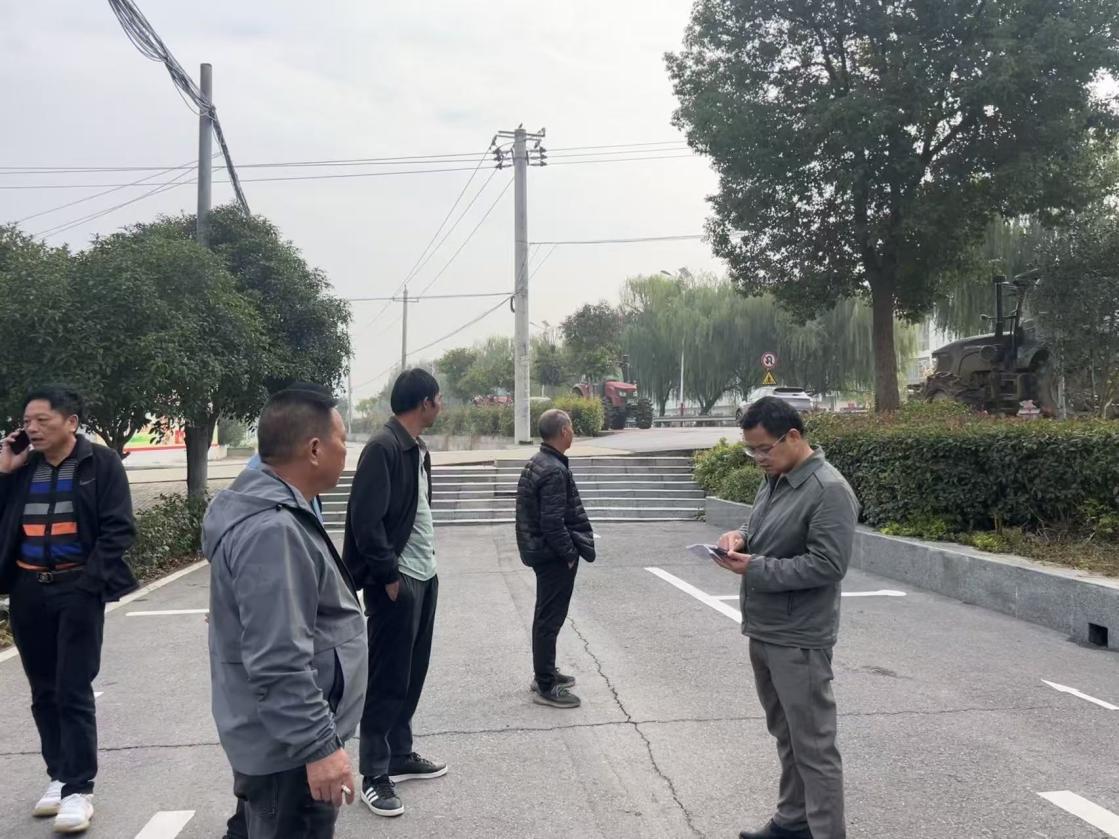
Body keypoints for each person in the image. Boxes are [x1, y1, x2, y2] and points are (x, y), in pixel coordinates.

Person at [203, 384, 367, 839]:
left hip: (278, 741)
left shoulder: (277, 510)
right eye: (342, 440)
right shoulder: (272, 529)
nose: (346, 451)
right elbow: (278, 659)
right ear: (314, 449)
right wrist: (319, 748)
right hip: (289, 756)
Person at [713, 396, 859, 839]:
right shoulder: (776, 478)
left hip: (799, 637)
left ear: (793, 436)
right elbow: (760, 528)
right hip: (766, 627)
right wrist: (740, 536)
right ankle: (793, 822)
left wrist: (755, 567)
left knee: (814, 745)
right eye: (751, 450)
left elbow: (827, 566)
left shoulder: (828, 490)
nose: (758, 457)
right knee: (787, 734)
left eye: (764, 448)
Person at [0, 385, 137, 834]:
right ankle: (58, 777)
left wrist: (88, 587)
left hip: (77, 587)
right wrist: (4, 472)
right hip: (28, 590)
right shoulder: (23, 468)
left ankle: (79, 788)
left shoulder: (101, 464)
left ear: (71, 422)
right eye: (27, 422)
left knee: (73, 688)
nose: (32, 429)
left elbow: (119, 529)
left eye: (42, 420)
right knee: (43, 691)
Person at [343, 368, 447, 818]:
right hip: (397, 581)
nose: (441, 406)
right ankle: (374, 773)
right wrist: (388, 577)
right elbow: (365, 522)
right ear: (424, 402)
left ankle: (399, 753)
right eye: (438, 398)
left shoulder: (417, 449)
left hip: (425, 575)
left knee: (412, 672)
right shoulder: (383, 448)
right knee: (387, 678)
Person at [514, 408, 595, 709]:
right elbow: (552, 523)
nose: (573, 432)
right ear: (563, 432)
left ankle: (545, 672)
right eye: (571, 427)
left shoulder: (540, 461)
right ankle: (546, 684)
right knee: (549, 619)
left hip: (541, 552)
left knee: (545, 616)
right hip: (552, 556)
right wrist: (570, 554)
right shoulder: (553, 469)